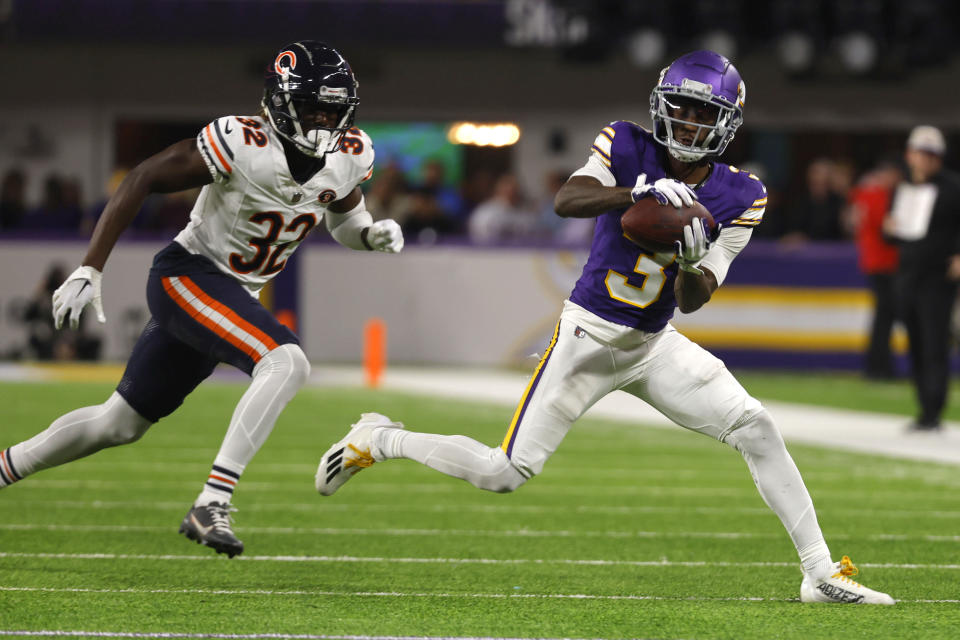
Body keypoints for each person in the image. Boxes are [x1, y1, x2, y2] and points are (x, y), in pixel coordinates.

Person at [314, 50, 894, 605]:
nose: (688, 123)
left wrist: (691, 261)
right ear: (661, 103)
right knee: (503, 472)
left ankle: (819, 573)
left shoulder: (743, 194)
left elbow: (695, 298)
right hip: (588, 336)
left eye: (702, 113)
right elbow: (569, 199)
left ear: (727, 124)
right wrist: (634, 192)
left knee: (757, 427)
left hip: (653, 344)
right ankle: (380, 438)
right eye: (681, 107)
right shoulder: (625, 143)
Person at [0, 41, 404, 558]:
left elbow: (345, 220)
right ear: (280, 102)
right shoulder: (242, 142)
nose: (324, 120)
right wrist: (90, 266)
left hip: (229, 293)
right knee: (286, 362)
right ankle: (212, 500)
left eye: (332, 108)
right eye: (312, 107)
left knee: (118, 424)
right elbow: (144, 176)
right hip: (188, 277)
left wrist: (367, 236)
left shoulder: (351, 155)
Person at [885, 125, 960, 431]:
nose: (924, 160)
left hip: (938, 277)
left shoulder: (954, 188)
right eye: (920, 153)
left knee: (935, 343)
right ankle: (924, 407)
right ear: (910, 155)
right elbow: (894, 236)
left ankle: (934, 410)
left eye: (930, 155)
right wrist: (888, 229)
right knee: (915, 341)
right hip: (908, 276)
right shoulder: (903, 189)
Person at [847, 160, 902, 380]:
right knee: (885, 316)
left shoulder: (863, 193)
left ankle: (878, 366)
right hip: (883, 262)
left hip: (873, 261)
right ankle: (879, 367)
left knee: (884, 316)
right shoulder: (877, 195)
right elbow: (888, 229)